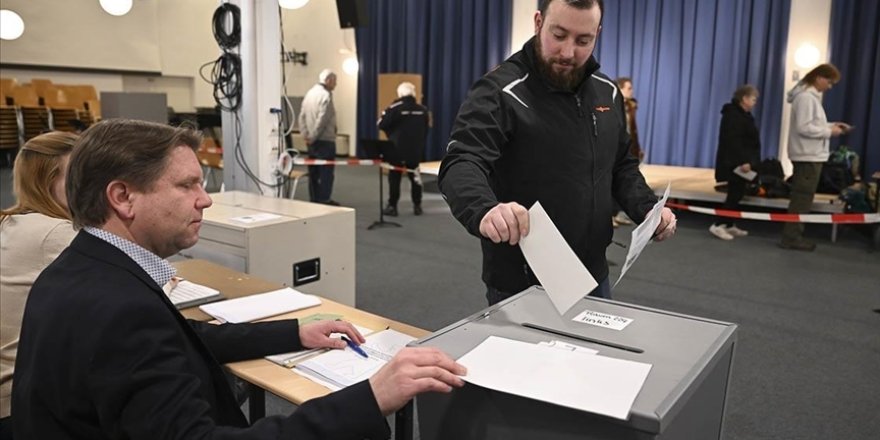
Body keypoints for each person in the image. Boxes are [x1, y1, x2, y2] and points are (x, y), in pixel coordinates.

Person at [11, 119, 466, 439]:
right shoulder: (119, 308)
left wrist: (296, 332)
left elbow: (181, 336)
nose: (205, 200)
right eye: (187, 185)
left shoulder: (79, 267)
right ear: (123, 197)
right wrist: (371, 397)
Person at [439, 0, 676, 306]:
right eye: (559, 35)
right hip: (522, 283)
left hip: (593, 273)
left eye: (582, 40)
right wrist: (484, 209)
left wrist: (647, 209)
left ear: (598, 33)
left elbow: (621, 166)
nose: (568, 53)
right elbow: (462, 161)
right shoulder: (500, 91)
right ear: (538, 22)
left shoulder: (608, 91)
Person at [0, 132, 78, 438]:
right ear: (47, 182)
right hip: (22, 405)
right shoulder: (55, 233)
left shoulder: (10, 221)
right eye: (78, 176)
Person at [780, 63, 852, 251]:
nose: (829, 86)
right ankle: (791, 237)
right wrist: (829, 133)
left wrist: (832, 125)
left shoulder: (809, 97)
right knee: (802, 198)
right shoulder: (805, 98)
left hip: (810, 154)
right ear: (819, 77)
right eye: (829, 82)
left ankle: (794, 235)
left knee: (803, 197)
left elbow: (812, 124)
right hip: (807, 155)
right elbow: (804, 128)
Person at [709, 85, 762, 241]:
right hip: (735, 163)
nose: (755, 102)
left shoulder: (745, 115)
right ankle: (718, 224)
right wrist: (744, 162)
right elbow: (733, 142)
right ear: (744, 98)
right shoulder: (733, 116)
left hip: (742, 161)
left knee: (737, 193)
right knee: (733, 194)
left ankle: (729, 223)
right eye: (753, 99)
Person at [377, 81, 430, 216]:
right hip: (415, 150)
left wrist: (392, 133)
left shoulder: (395, 108)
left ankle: (392, 206)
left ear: (400, 94)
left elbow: (381, 124)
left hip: (396, 149)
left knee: (394, 177)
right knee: (416, 177)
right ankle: (417, 206)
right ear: (413, 94)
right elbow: (426, 130)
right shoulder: (422, 110)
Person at [298, 69, 340, 206]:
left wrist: (306, 136)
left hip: (311, 141)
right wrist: (313, 136)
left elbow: (301, 116)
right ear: (328, 80)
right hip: (324, 140)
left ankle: (314, 198)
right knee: (326, 172)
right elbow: (322, 120)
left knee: (314, 172)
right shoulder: (326, 96)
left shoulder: (310, 93)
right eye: (335, 81)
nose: (336, 84)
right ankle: (324, 199)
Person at [611, 76, 642, 227]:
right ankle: (609, 215)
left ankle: (618, 214)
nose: (632, 91)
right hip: (613, 149)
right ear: (620, 88)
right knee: (610, 183)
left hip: (628, 147)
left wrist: (637, 149)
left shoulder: (630, 106)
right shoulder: (610, 105)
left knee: (626, 181)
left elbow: (632, 130)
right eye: (628, 88)